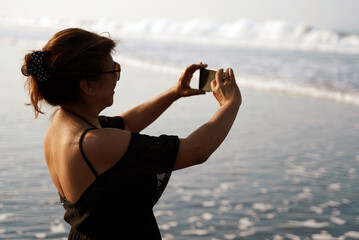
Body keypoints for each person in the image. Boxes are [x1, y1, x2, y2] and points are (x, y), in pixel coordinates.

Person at [21, 28, 241, 239]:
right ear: (88, 85)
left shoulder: (63, 124)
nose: (117, 77)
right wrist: (231, 103)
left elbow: (125, 123)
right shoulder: (94, 143)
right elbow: (196, 150)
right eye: (114, 69)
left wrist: (174, 92)